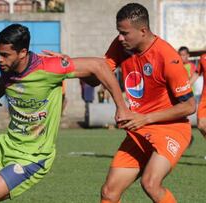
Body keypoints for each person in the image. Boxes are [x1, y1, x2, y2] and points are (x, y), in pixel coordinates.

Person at [0, 24, 130, 203]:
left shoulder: (50, 67)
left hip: (32, 157)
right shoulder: (8, 67)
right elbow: (3, 80)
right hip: (5, 145)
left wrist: (121, 107)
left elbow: (99, 65)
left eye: (5, 55)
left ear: (23, 53)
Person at [99, 3, 195, 203]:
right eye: (119, 32)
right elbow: (99, 72)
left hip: (171, 129)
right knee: (109, 192)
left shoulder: (167, 57)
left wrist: (145, 118)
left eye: (124, 33)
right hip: (140, 129)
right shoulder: (121, 46)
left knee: (150, 183)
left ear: (143, 31)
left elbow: (189, 106)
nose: (119, 38)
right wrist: (68, 66)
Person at [190, 53, 206, 138]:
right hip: (204, 98)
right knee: (201, 125)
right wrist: (187, 86)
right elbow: (197, 73)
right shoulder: (203, 57)